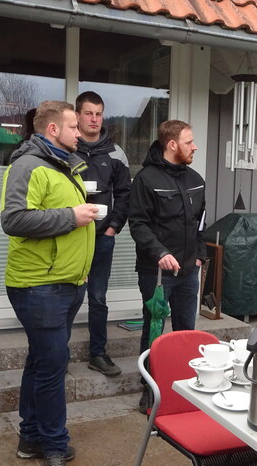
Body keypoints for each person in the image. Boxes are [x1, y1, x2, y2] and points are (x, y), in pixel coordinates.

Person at [1, 100, 96, 466]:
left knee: (41, 362)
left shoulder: (62, 165)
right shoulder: (27, 165)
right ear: (53, 130)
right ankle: (54, 448)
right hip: (40, 286)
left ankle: (30, 437)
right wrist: (72, 217)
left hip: (66, 284)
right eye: (74, 126)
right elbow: (14, 219)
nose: (81, 132)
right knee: (53, 368)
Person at [129, 120, 206, 413]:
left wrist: (199, 255)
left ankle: (186, 386)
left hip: (188, 271)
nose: (194, 146)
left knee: (187, 331)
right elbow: (138, 224)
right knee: (156, 330)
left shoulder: (196, 179)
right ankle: (150, 388)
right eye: (189, 142)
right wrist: (159, 251)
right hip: (157, 272)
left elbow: (201, 222)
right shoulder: (146, 179)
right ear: (172, 144)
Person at [73, 91, 131, 377]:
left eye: (98, 113)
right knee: (67, 296)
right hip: (69, 237)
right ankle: (56, 354)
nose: (94, 119)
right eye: (88, 113)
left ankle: (98, 353)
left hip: (101, 237)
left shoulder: (115, 153)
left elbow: (124, 195)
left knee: (97, 297)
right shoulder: (67, 148)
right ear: (78, 115)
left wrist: (112, 228)